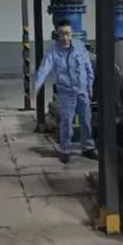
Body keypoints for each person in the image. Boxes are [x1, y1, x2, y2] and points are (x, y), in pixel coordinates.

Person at [32, 20, 98, 164]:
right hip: (66, 93)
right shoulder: (53, 52)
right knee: (66, 122)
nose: (65, 37)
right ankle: (65, 150)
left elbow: (88, 66)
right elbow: (43, 69)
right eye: (61, 34)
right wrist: (36, 87)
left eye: (67, 33)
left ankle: (88, 148)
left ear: (71, 33)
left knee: (86, 120)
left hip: (82, 90)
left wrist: (90, 85)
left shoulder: (80, 46)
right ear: (57, 35)